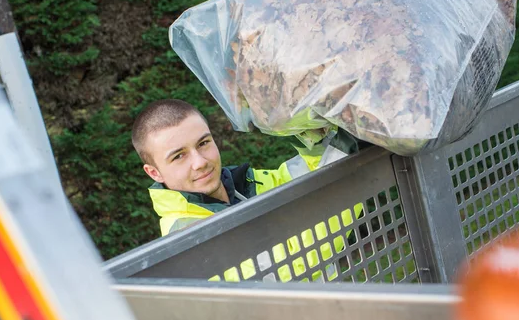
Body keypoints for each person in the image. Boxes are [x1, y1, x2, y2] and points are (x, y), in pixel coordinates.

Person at [132, 99, 360, 237]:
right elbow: (296, 262)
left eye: (203, 143)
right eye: (179, 156)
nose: (200, 162)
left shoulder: (248, 185)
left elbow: (313, 172)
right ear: (154, 172)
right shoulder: (185, 234)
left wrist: (307, 126)